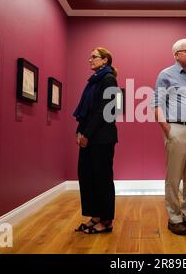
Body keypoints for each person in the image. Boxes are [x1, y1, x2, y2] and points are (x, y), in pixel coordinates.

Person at [153, 39, 186, 236]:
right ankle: (174, 218)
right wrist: (167, 129)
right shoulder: (166, 74)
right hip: (177, 128)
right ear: (176, 55)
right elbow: (157, 103)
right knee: (174, 176)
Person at [73, 47, 118, 234]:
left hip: (102, 138)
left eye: (94, 57)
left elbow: (103, 112)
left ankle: (106, 220)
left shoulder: (108, 79)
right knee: (88, 177)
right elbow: (87, 111)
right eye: (89, 56)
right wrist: (80, 131)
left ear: (105, 60)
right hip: (91, 136)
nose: (89, 60)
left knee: (102, 179)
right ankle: (96, 216)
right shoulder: (94, 80)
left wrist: (87, 134)